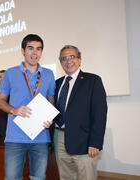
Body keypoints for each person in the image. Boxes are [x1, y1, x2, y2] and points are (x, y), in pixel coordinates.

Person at [0, 34, 55, 180]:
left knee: (39, 177)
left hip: (40, 137)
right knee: (12, 178)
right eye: (30, 48)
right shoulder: (10, 73)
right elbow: (0, 101)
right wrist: (14, 110)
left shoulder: (48, 74)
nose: (34, 52)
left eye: (38, 49)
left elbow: (51, 100)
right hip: (15, 137)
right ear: (23, 50)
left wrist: (49, 117)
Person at [53, 45, 107, 180]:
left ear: (79, 59)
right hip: (59, 137)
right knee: (66, 177)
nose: (68, 61)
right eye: (64, 58)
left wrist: (96, 142)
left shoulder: (93, 80)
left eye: (72, 56)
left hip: (84, 140)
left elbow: (100, 113)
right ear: (60, 62)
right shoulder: (57, 83)